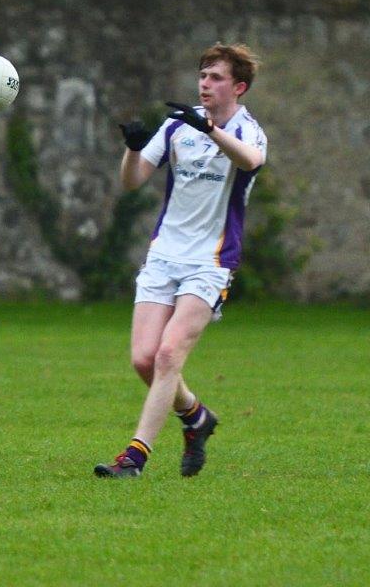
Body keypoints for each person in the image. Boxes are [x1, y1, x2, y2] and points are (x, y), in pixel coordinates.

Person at [94, 43, 267, 479]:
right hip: (164, 256)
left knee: (169, 355)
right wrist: (133, 149)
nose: (205, 84)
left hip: (210, 262)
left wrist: (209, 130)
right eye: (203, 75)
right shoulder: (177, 125)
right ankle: (195, 417)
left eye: (216, 78)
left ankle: (133, 458)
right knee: (143, 360)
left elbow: (251, 161)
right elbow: (133, 182)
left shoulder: (247, 131)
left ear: (239, 87)